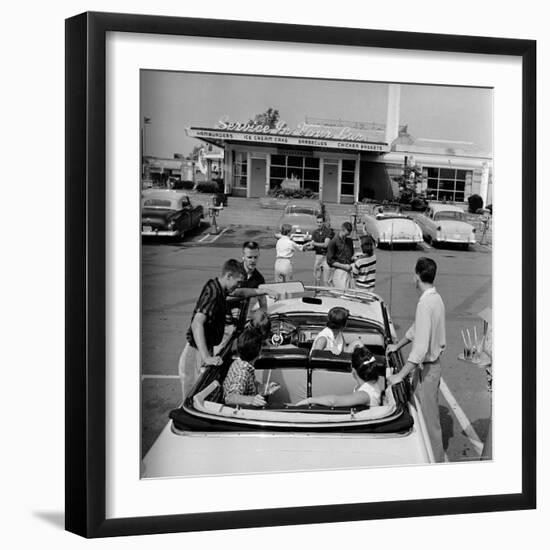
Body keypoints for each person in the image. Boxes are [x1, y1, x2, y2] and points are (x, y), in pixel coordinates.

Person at [386, 257, 446, 462]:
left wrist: (399, 376)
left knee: (429, 423)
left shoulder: (425, 303)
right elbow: (416, 328)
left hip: (427, 370)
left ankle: (434, 463)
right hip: (430, 367)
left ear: (417, 276)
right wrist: (398, 345)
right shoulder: (435, 299)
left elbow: (420, 349)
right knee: (424, 417)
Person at [178, 259, 246, 401]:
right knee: (191, 399)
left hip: (205, 348)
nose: (238, 286)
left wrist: (263, 290)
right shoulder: (213, 293)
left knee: (201, 393)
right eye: (237, 282)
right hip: (195, 350)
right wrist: (206, 357)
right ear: (228, 276)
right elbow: (197, 323)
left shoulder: (220, 289)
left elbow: (241, 292)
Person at [295, 346, 384, 407]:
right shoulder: (372, 383)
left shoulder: (364, 395)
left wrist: (309, 400)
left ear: (353, 370)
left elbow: (334, 401)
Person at [223, 329, 276, 407]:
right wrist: (251, 400)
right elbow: (230, 398)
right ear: (259, 353)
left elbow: (249, 387)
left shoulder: (238, 362)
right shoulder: (242, 373)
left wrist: (264, 388)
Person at [230, 241, 279, 311]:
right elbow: (231, 293)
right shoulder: (234, 271)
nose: (253, 260)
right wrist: (265, 291)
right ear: (243, 257)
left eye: (255, 257)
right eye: (249, 257)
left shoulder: (259, 279)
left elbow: (263, 305)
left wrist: (261, 315)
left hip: (242, 316)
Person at [326, 221, 354, 289]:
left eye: (348, 235)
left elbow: (351, 255)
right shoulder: (333, 242)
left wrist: (355, 258)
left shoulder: (349, 241)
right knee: (341, 294)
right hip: (338, 271)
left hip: (348, 271)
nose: (346, 237)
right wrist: (344, 266)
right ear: (342, 230)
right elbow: (330, 261)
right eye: (345, 235)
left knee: (349, 294)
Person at [307, 215, 334, 286]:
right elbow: (313, 246)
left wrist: (314, 243)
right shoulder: (314, 232)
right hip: (318, 256)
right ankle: (317, 292)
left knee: (327, 280)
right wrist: (305, 248)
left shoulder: (328, 231)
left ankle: (330, 294)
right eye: (318, 222)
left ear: (324, 222)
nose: (319, 224)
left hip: (326, 257)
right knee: (316, 277)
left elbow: (326, 244)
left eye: (321, 222)